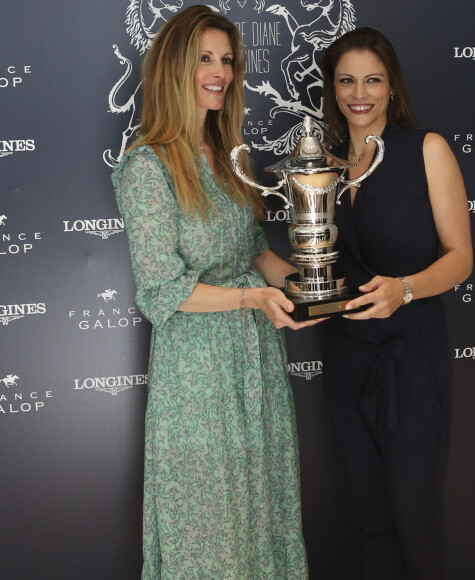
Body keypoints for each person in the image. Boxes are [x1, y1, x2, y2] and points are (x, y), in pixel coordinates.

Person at [111, 6, 316, 578]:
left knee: (263, 509)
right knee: (207, 521)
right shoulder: (146, 167)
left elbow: (255, 250)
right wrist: (253, 300)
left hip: (255, 363)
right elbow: (162, 291)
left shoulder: (229, 157)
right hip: (198, 375)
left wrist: (305, 286)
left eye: (227, 60)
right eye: (205, 58)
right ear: (175, 67)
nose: (220, 71)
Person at [320, 28, 473, 580]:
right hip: (346, 358)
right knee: (369, 523)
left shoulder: (425, 149)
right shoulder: (322, 166)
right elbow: (316, 266)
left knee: (416, 525)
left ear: (391, 87)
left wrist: (403, 288)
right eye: (346, 80)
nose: (359, 93)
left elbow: (460, 259)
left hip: (410, 362)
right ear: (333, 88)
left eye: (372, 79)